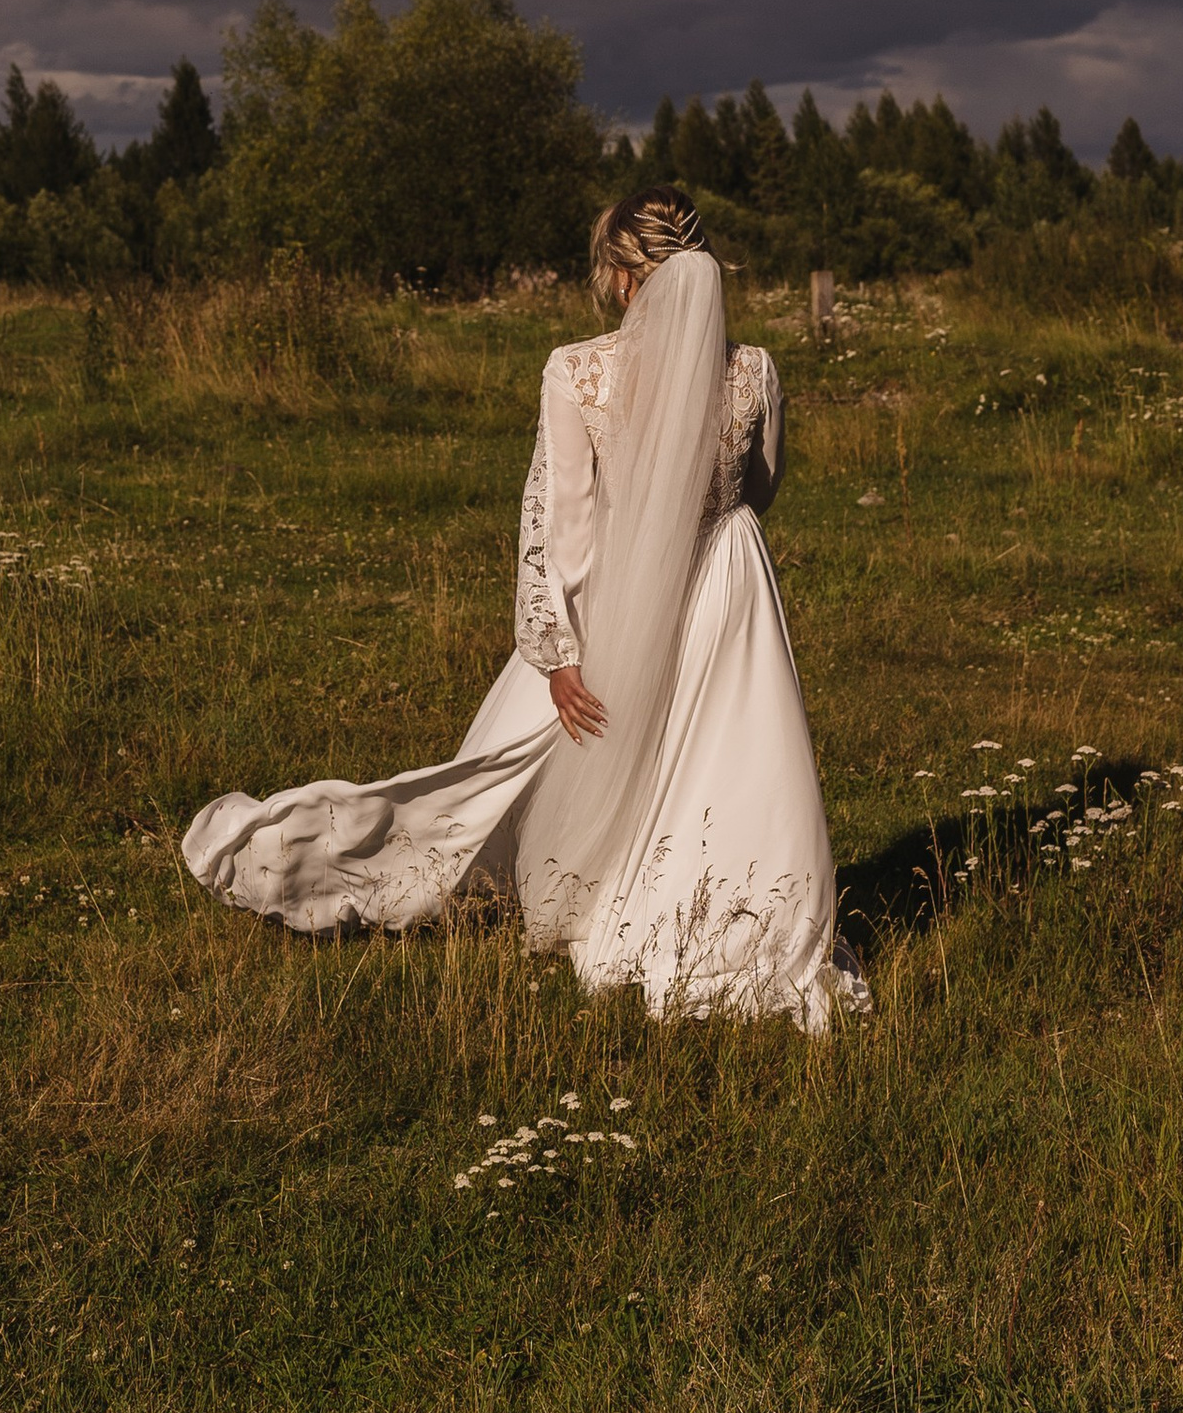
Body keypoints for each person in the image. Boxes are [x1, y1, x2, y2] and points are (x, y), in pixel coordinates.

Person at [180, 190, 862, 1023]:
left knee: (567, 761)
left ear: (619, 278)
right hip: (732, 580)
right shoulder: (753, 368)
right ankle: (747, 916)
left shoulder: (578, 370)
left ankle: (608, 893)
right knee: (731, 753)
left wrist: (559, 652)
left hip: (617, 593)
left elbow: (556, 523)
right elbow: (761, 485)